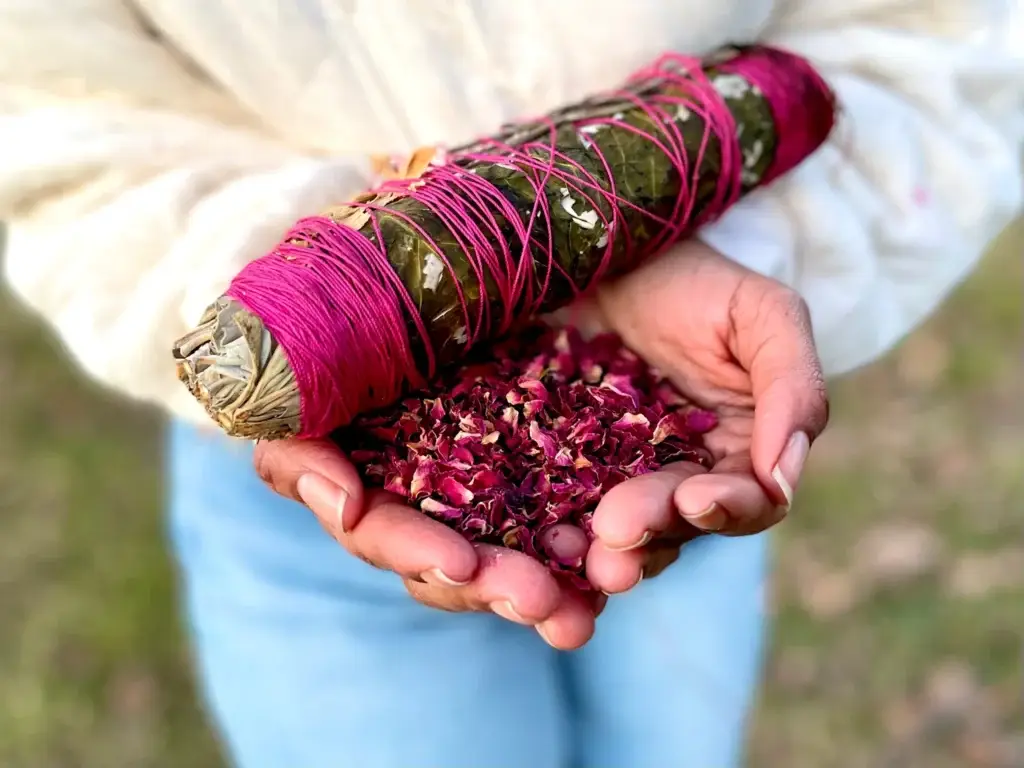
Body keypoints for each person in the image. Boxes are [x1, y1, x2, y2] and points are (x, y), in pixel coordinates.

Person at [2, 2, 1021, 766]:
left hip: (684, 446)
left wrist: (730, 250)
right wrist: (291, 297)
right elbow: (50, 113)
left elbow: (934, 35)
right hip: (306, 463)